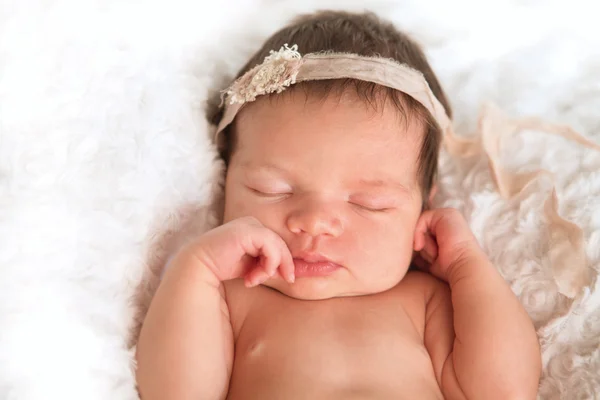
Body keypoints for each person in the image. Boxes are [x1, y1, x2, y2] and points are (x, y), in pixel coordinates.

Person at [136, 10, 542, 400]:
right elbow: (175, 393)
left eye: (369, 203)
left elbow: (504, 390)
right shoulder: (232, 297)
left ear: (424, 203)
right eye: (271, 189)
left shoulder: (424, 301)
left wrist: (466, 266)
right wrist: (198, 268)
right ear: (227, 177)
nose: (315, 223)